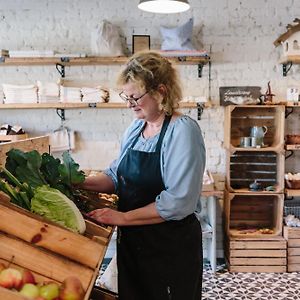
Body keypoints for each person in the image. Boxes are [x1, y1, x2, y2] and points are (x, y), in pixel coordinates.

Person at [82, 51, 206, 300]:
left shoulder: (182, 131)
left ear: (161, 91)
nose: (130, 104)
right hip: (133, 245)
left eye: (136, 97)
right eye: (126, 97)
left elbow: (178, 201)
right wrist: (78, 180)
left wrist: (122, 217)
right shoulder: (136, 129)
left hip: (169, 247)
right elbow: (116, 177)